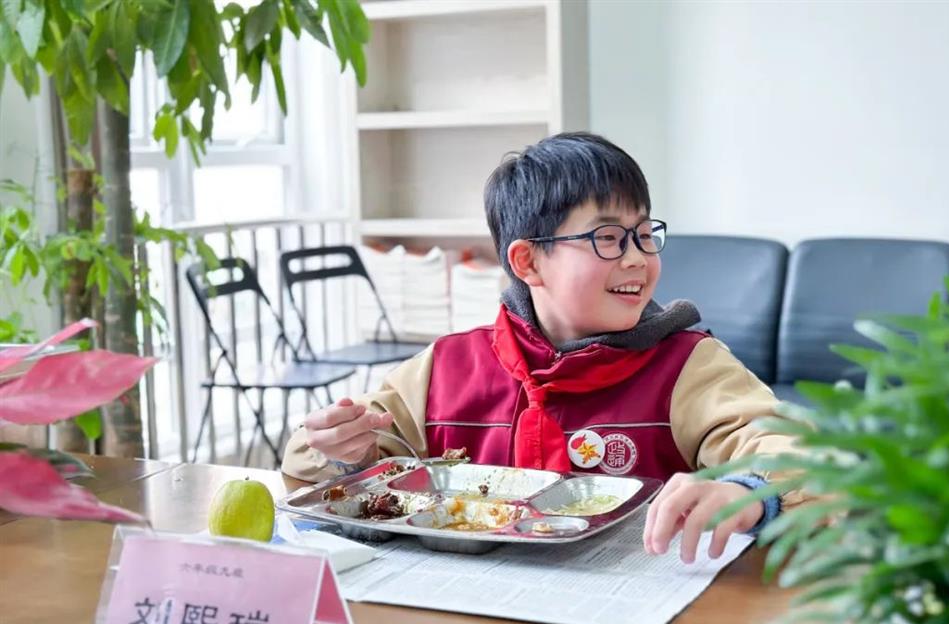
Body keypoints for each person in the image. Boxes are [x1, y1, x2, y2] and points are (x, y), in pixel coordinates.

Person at [282, 132, 803, 564]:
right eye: (608, 238)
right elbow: (327, 473)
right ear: (528, 262)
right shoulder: (446, 368)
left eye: (645, 235)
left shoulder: (688, 366)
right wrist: (346, 451)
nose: (637, 259)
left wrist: (748, 491)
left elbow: (794, 452)